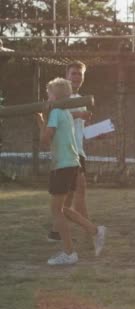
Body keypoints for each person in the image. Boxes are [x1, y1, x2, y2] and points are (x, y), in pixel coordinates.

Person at [35, 78, 106, 265]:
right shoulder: (65, 111)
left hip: (64, 165)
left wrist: (40, 121)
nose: (47, 97)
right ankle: (96, 231)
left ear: (55, 96)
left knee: (56, 210)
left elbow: (45, 140)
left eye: (49, 94)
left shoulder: (56, 112)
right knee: (64, 209)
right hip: (71, 164)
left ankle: (69, 253)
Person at [47, 61, 93, 242]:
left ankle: (55, 231)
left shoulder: (81, 99)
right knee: (79, 192)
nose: (76, 77)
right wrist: (79, 115)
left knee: (69, 195)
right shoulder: (60, 99)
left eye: (80, 74)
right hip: (69, 153)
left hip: (78, 149)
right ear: (66, 75)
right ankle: (92, 233)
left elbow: (80, 129)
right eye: (73, 73)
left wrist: (95, 130)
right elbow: (60, 117)